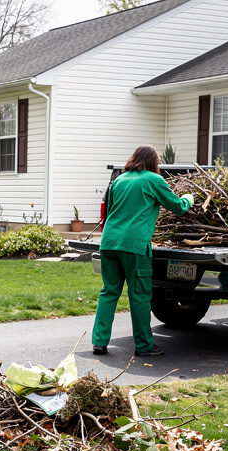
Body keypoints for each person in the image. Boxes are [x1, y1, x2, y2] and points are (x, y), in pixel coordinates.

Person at [91, 144, 194, 357]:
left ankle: (99, 342)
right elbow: (178, 207)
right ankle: (144, 346)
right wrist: (189, 199)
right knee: (139, 294)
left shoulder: (119, 180)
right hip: (135, 246)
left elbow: (110, 211)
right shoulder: (154, 180)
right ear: (153, 162)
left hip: (109, 242)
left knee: (109, 292)